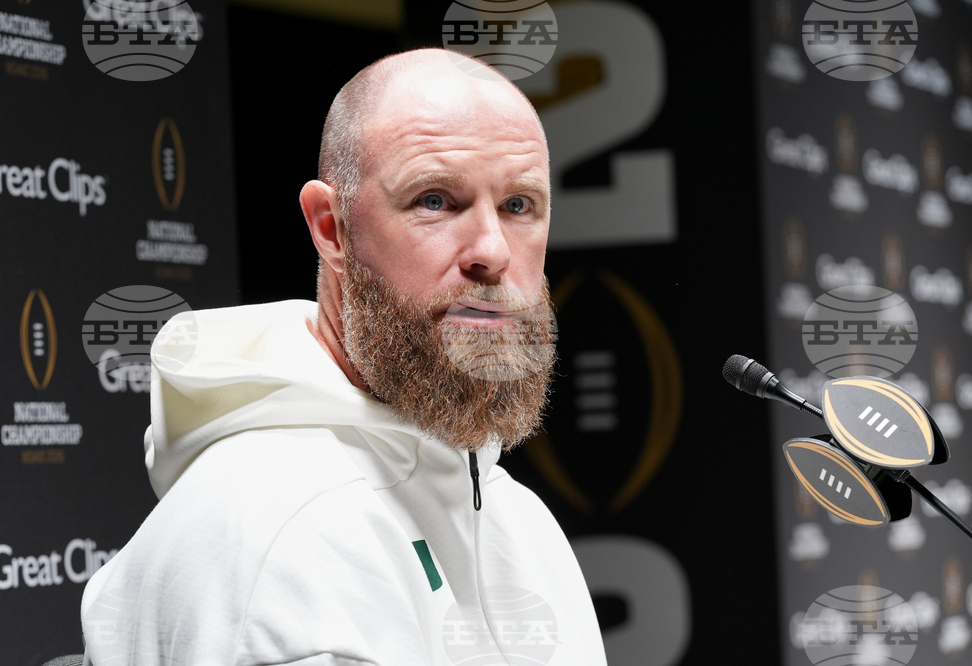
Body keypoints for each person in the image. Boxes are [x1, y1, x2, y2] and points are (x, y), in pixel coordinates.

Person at [80, 48, 607, 665]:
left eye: (519, 206)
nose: (491, 250)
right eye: (435, 200)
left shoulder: (513, 512)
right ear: (331, 229)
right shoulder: (281, 532)